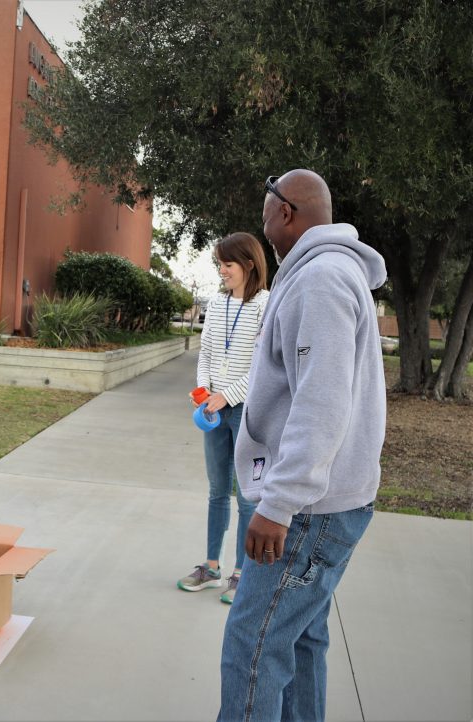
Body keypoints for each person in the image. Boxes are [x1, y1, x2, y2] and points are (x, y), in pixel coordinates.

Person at [218, 169, 387, 721]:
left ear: (284, 211)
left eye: (266, 202)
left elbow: (322, 401)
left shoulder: (321, 281)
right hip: (325, 503)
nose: (262, 215)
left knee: (254, 645)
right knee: (301, 636)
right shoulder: (324, 274)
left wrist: (281, 502)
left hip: (309, 511)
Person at [177, 232, 268, 604]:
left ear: (248, 264)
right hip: (212, 409)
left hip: (245, 409)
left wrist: (225, 396)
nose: (221, 271)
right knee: (217, 491)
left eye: (227, 264)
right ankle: (211, 568)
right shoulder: (216, 303)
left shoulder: (265, 304)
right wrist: (203, 392)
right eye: (219, 264)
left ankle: (241, 574)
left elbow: (264, 366)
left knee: (247, 495)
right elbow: (206, 354)